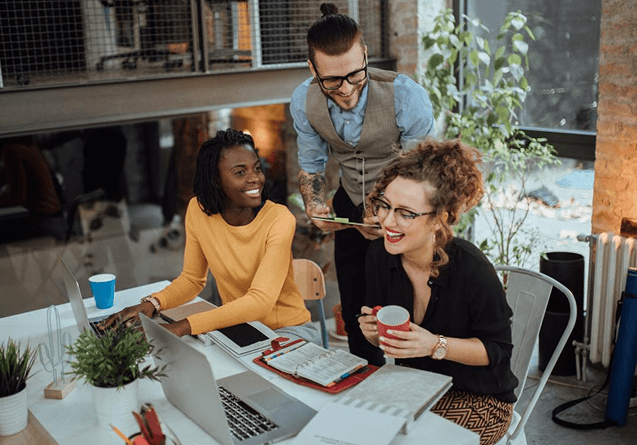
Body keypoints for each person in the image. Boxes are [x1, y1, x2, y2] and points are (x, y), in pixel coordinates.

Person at [291, 3, 434, 362]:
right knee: (357, 307)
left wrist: (385, 213)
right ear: (312, 70)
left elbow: (421, 172)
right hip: (349, 204)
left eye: (356, 74)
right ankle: (361, 382)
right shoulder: (304, 101)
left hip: (405, 210)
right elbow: (311, 166)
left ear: (366, 55)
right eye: (332, 81)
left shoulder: (406, 95)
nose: (347, 90)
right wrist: (314, 204)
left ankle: (414, 383)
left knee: (406, 307)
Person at [358, 139, 518, 444]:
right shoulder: (380, 255)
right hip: (414, 386)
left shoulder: (472, 269)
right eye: (384, 205)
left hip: (480, 400)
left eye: (406, 213)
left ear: (440, 219)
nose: (387, 222)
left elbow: (498, 352)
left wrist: (434, 344)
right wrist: (374, 333)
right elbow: (384, 332)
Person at [101, 129, 319, 344]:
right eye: (240, 172)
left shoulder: (279, 219)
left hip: (288, 332)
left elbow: (260, 302)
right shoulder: (198, 210)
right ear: (216, 180)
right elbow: (192, 280)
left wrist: (182, 327)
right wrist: (153, 304)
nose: (255, 179)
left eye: (257, 168)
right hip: (240, 329)